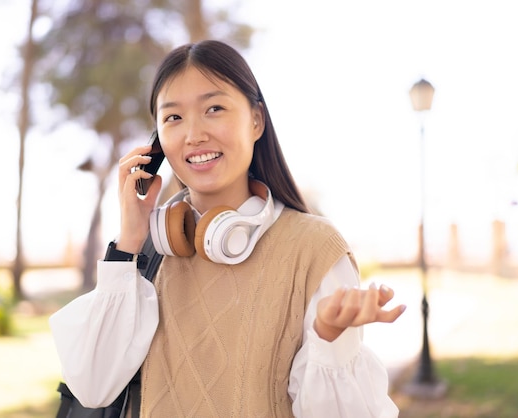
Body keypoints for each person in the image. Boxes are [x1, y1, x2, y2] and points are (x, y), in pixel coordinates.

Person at [49, 39, 406, 417]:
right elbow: (92, 387)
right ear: (156, 142)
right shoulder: (152, 250)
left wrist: (329, 340)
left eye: (214, 108)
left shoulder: (314, 249)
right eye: (173, 117)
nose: (193, 134)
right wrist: (129, 244)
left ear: (256, 120)